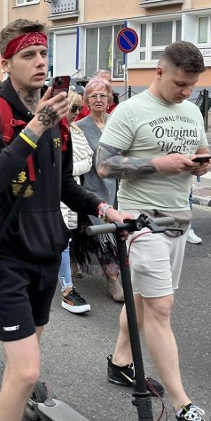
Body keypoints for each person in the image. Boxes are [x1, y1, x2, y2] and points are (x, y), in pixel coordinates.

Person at [0, 19, 124, 421]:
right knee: (26, 370)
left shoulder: (52, 113)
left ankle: (18, 398)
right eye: (28, 56)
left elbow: (61, 185)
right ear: (7, 62)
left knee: (27, 358)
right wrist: (35, 127)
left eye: (43, 54)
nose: (40, 63)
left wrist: (106, 209)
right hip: (5, 257)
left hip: (45, 252)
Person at [96, 41, 211, 421]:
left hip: (179, 218)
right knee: (161, 308)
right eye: (181, 84)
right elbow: (104, 164)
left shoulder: (190, 110)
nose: (187, 92)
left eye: (193, 86)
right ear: (160, 73)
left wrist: (202, 160)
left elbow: (198, 149)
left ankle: (119, 362)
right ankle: (186, 409)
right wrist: (155, 164)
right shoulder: (129, 111)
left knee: (141, 301)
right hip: (140, 221)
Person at [74, 77, 124, 301]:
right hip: (89, 188)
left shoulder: (117, 123)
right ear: (86, 100)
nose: (98, 99)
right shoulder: (80, 127)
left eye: (103, 95)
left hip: (114, 187)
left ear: (110, 99)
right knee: (103, 235)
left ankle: (73, 259)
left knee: (83, 233)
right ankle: (113, 282)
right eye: (93, 96)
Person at [58, 90, 94, 314]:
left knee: (65, 239)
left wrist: (70, 169)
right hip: (54, 194)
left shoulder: (77, 131)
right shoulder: (51, 129)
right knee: (60, 241)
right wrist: (70, 168)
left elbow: (88, 160)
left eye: (79, 109)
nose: (76, 113)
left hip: (72, 190)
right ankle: (67, 289)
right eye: (73, 108)